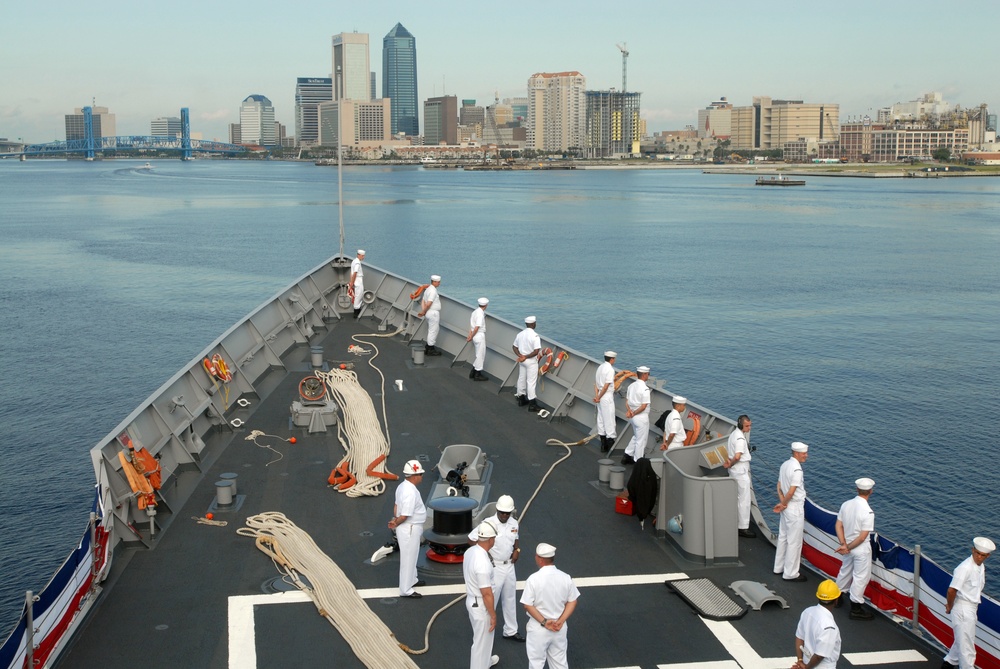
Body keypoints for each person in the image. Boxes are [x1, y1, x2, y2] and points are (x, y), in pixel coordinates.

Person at [468, 495, 524, 642]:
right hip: (495, 567)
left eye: (507, 513)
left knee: (510, 598)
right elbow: (471, 539)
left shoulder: (513, 522)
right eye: (502, 512)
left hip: (509, 566)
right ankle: (485, 631)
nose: (504, 515)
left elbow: (515, 537)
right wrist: (484, 554)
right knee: (491, 600)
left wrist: (516, 550)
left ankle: (511, 630)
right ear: (497, 510)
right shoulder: (488, 524)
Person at [521, 543, 580, 669]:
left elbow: (527, 605)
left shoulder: (533, 579)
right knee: (559, 664)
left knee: (536, 664)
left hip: (538, 628)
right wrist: (560, 621)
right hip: (559, 628)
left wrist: (544, 622)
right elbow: (573, 601)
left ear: (540, 559)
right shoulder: (566, 577)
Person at [943, 537, 995, 669]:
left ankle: (947, 664)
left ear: (987, 556)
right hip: (963, 608)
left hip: (971, 608)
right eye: (977, 553)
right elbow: (951, 590)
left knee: (961, 641)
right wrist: (950, 605)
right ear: (972, 550)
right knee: (967, 649)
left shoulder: (980, 567)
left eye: (983, 555)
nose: (979, 557)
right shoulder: (965, 568)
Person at [835, 477, 876, 620]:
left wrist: (843, 544)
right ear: (870, 491)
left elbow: (838, 525)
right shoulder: (868, 512)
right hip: (860, 550)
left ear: (857, 489)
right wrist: (848, 546)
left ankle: (837, 598)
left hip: (847, 546)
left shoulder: (846, 504)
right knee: (860, 577)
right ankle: (856, 608)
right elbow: (862, 537)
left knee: (845, 571)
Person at [388, 459, 426, 598]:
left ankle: (412, 579)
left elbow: (396, 507)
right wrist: (396, 523)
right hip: (410, 528)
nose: (422, 476)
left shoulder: (402, 487)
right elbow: (405, 515)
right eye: (420, 474)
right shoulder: (410, 492)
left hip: (409, 527)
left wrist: (395, 520)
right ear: (415, 476)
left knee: (413, 555)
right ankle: (405, 589)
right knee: (408, 558)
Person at [464, 521, 500, 669]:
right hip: (481, 605)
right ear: (491, 539)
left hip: (472, 601)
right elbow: (486, 594)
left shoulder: (470, 551)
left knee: (483, 640)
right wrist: (493, 615)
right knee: (480, 643)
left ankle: (485, 662)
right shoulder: (483, 563)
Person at [774, 441, 809, 582]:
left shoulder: (785, 465)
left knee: (783, 537)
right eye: (804, 453)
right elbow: (792, 492)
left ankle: (778, 567)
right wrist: (783, 503)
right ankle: (791, 573)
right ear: (796, 453)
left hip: (786, 507)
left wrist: (782, 503)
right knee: (794, 541)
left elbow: (779, 485)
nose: (806, 456)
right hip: (794, 507)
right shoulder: (797, 470)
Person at [794, 580, 842, 669]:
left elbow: (799, 637)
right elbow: (820, 655)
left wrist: (800, 661)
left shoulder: (807, 612)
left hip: (806, 661)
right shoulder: (829, 626)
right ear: (836, 600)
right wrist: (807, 668)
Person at [724, 415, 755, 538]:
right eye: (747, 425)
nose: (749, 428)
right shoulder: (741, 439)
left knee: (737, 497)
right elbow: (737, 456)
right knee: (744, 500)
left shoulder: (733, 434)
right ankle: (742, 527)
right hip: (740, 470)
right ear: (741, 425)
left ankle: (736, 522)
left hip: (735, 471)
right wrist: (730, 464)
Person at [622, 366, 651, 465]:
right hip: (641, 417)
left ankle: (627, 455)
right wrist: (633, 413)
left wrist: (630, 411)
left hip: (632, 417)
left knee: (636, 436)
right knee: (641, 440)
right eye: (648, 374)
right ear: (644, 375)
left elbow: (627, 401)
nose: (648, 375)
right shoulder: (645, 389)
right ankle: (638, 462)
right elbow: (643, 406)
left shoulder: (631, 386)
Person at [513, 316, 542, 412]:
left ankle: (521, 399)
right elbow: (536, 351)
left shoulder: (520, 334)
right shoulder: (535, 336)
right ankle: (532, 404)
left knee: (521, 378)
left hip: (522, 361)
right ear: (533, 324)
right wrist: (526, 356)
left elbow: (514, 347)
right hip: (531, 361)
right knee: (531, 382)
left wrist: (520, 356)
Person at [593, 351, 617, 453]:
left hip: (600, 396)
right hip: (606, 396)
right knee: (609, 419)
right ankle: (610, 443)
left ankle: (603, 444)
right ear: (612, 359)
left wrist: (597, 396)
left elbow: (596, 384)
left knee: (601, 418)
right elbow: (606, 386)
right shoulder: (610, 370)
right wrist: (599, 397)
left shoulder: (600, 367)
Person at [418, 275, 442, 356]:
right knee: (433, 330)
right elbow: (429, 303)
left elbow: (423, 301)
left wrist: (424, 311)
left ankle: (428, 347)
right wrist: (423, 311)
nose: (439, 283)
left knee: (431, 330)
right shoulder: (433, 291)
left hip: (428, 313)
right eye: (438, 282)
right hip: (433, 313)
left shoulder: (428, 289)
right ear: (434, 282)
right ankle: (430, 349)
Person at [467, 297, 489, 381]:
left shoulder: (475, 312)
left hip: (475, 335)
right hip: (479, 335)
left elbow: (471, 326)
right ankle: (477, 374)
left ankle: (473, 371)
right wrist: (471, 336)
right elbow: (477, 327)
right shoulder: (480, 314)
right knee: (480, 355)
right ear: (486, 305)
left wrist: (470, 335)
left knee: (478, 354)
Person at [350, 249, 365, 318]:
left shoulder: (354, 261)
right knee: (358, 295)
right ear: (358, 255)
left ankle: (357, 309)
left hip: (356, 280)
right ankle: (356, 312)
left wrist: (351, 282)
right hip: (358, 280)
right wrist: (352, 283)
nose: (363, 257)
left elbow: (351, 273)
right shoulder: (357, 263)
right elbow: (355, 273)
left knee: (358, 295)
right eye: (362, 256)